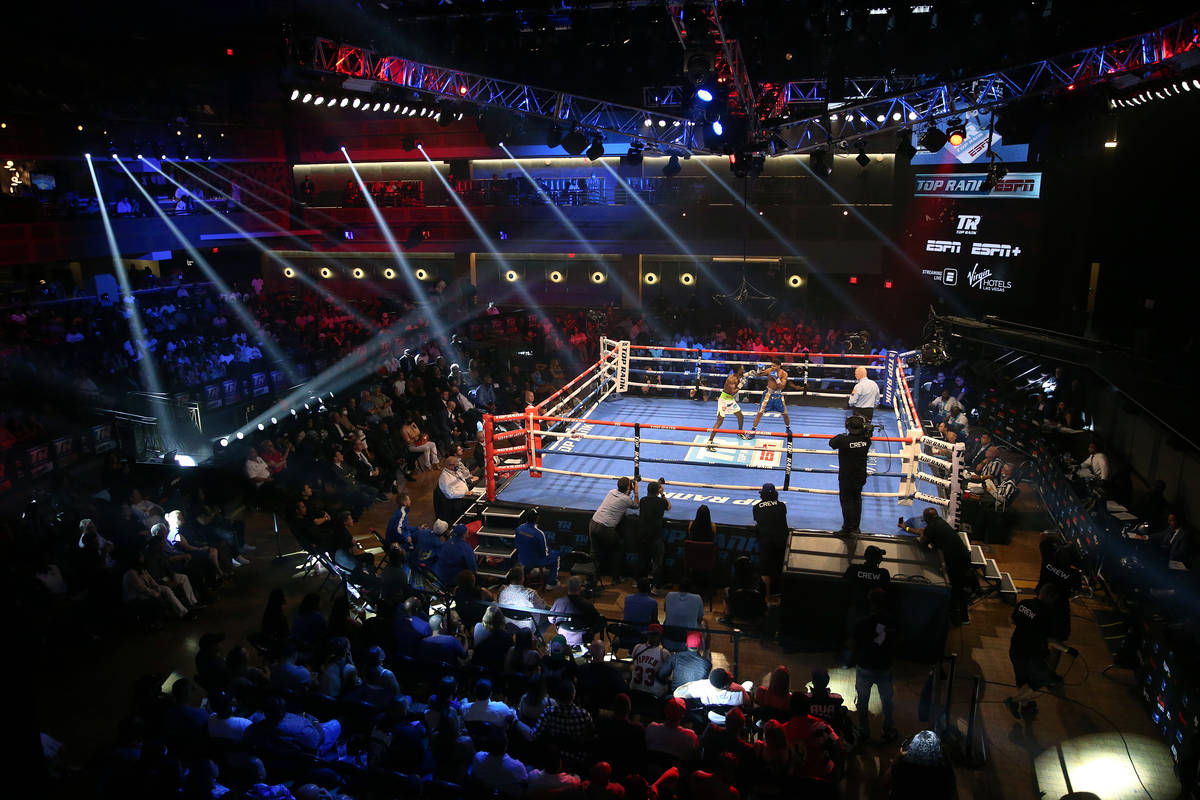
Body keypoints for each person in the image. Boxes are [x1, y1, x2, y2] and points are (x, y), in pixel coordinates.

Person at [1004, 583, 1077, 721]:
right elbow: (1050, 639)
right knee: (1043, 678)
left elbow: (1012, 620)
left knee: (1021, 679)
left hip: (1015, 647)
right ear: (1051, 597)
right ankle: (1013, 701)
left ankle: (1024, 705)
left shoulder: (1023, 603)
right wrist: (1067, 650)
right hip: (1032, 652)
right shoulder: (1048, 613)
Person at [902, 508, 973, 625]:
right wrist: (906, 528)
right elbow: (923, 532)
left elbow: (923, 542)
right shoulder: (941, 523)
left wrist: (921, 537)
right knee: (959, 587)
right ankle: (962, 617)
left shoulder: (932, 527)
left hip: (956, 562)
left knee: (955, 589)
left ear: (927, 519)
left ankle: (957, 618)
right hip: (963, 558)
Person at [852, 589, 898, 742]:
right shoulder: (892, 622)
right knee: (887, 701)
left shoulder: (861, 622)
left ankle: (864, 731)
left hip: (865, 667)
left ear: (870, 602)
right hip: (884, 668)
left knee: (863, 701)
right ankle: (888, 729)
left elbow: (855, 645)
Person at [589, 476, 638, 583]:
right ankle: (616, 578)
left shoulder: (611, 492)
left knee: (594, 552)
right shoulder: (627, 500)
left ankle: (592, 578)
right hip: (605, 528)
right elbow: (636, 505)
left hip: (593, 523)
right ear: (629, 488)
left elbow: (623, 498)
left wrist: (629, 489)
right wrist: (636, 491)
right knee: (618, 550)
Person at [829, 415, 872, 535]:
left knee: (847, 503)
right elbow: (867, 438)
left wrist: (842, 435)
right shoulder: (866, 440)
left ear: (848, 426)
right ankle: (856, 527)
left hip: (846, 477)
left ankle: (847, 529)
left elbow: (831, 443)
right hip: (860, 476)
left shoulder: (843, 440)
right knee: (857, 501)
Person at [674, 667, 752, 725]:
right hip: (732, 714)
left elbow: (677, 693)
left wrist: (690, 684)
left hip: (715, 715)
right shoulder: (739, 691)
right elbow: (748, 702)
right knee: (749, 683)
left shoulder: (703, 687)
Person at [706, 365, 755, 451]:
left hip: (730, 399)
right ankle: (710, 441)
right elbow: (732, 392)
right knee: (720, 421)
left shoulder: (738, 375)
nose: (743, 371)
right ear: (738, 371)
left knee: (740, 416)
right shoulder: (731, 379)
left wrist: (750, 373)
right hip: (724, 399)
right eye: (742, 369)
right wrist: (741, 385)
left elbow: (743, 376)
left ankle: (740, 432)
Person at [753, 482, 789, 599]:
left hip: (766, 542)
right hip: (782, 541)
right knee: (781, 569)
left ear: (762, 495)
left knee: (765, 572)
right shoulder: (782, 506)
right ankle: (783, 597)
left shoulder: (756, 508)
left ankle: (767, 598)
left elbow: (760, 522)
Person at [514, 508, 561, 588]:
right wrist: (550, 551)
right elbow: (544, 553)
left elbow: (518, 543)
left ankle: (536, 571)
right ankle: (551, 583)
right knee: (556, 556)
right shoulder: (539, 533)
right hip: (535, 561)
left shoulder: (519, 529)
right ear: (537, 518)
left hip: (522, 559)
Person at [637, 479, 670, 583]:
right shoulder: (661, 501)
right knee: (657, 561)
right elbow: (669, 506)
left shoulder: (643, 501)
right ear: (658, 491)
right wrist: (663, 494)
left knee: (643, 559)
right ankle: (656, 584)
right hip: (655, 537)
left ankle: (640, 581)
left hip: (642, 535)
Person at [629, 623, 672, 700]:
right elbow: (668, 676)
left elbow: (633, 665)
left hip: (634, 692)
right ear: (660, 636)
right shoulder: (664, 653)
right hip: (655, 695)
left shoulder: (637, 647)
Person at [750, 357, 791, 433]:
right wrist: (759, 370)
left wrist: (776, 378)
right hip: (768, 394)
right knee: (759, 413)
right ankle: (753, 430)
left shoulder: (784, 374)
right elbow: (758, 375)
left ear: (779, 366)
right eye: (772, 365)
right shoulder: (769, 370)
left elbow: (782, 386)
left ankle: (788, 428)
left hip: (778, 395)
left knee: (785, 414)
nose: (772, 367)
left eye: (774, 366)